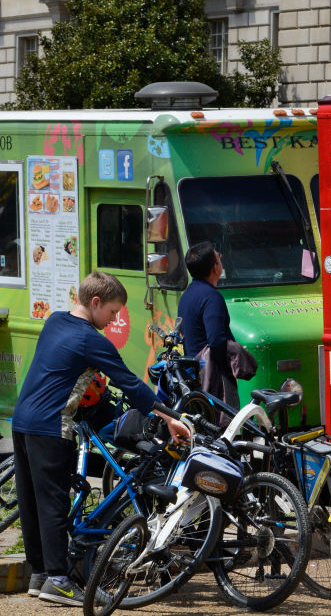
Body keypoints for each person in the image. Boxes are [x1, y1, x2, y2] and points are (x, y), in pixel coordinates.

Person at [12, 271, 190, 605]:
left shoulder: (55, 321)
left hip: (22, 421)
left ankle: (39, 574)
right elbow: (130, 383)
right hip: (52, 425)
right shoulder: (90, 340)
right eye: (111, 312)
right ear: (95, 303)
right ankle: (59, 580)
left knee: (32, 503)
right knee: (53, 505)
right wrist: (170, 416)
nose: (112, 320)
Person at [178, 241, 239, 420]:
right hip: (214, 376)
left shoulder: (188, 294)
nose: (220, 256)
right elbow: (216, 340)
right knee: (224, 424)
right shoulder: (212, 297)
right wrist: (230, 367)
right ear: (215, 268)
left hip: (195, 372)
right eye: (217, 255)